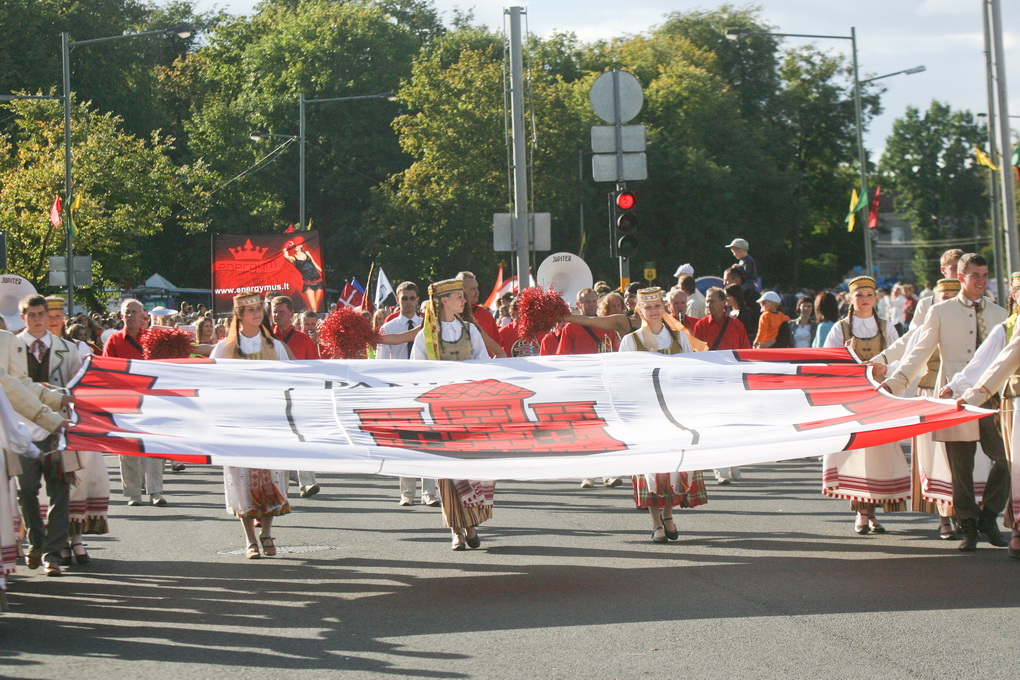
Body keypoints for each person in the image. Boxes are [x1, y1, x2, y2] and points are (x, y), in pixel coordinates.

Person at [881, 254, 1010, 552]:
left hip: (991, 396)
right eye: (975, 275)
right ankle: (967, 525)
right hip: (953, 398)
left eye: (985, 275)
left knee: (1004, 459)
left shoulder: (999, 313)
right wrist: (895, 381)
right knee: (961, 468)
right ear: (961, 277)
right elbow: (918, 352)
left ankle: (988, 516)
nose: (981, 281)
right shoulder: (941, 311)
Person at [823, 276, 909, 534]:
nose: (864, 299)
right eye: (859, 295)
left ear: (876, 298)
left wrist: (886, 369)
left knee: (879, 456)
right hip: (854, 399)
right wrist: (846, 356)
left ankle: (874, 512)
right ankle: (862, 513)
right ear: (851, 298)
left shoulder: (886, 327)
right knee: (856, 456)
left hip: (880, 397)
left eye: (869, 295)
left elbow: (900, 360)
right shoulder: (840, 329)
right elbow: (827, 364)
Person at [618, 287, 704, 542]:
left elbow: (691, 374)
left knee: (675, 466)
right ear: (640, 310)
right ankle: (656, 521)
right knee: (650, 467)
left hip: (676, 412)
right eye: (648, 307)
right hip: (645, 413)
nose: (654, 311)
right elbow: (622, 379)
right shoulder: (630, 341)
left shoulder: (680, 338)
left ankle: (668, 514)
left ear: (663, 308)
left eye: (657, 306)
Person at [210, 292, 292, 559]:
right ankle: (249, 540)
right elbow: (211, 383)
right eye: (251, 310)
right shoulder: (224, 348)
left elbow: (289, 380)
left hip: (269, 422)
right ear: (239, 316)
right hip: (239, 423)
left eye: (259, 309)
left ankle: (267, 533)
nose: (257, 314)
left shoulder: (274, 346)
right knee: (242, 480)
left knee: (271, 477)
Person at [411, 279, 491, 550]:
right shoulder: (425, 336)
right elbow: (416, 374)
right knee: (445, 472)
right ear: (444, 300)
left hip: (468, 411)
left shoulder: (470, 330)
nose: (464, 300)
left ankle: (470, 522)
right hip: (439, 412)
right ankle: (456, 529)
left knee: (468, 471)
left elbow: (485, 366)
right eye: (459, 296)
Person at [378, 282, 437, 507]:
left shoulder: (429, 325)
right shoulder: (389, 328)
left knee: (430, 441)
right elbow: (381, 362)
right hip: (400, 388)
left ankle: (429, 492)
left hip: (424, 387)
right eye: (405, 298)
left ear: (418, 299)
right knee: (405, 442)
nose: (409, 302)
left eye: (413, 298)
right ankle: (407, 492)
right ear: (398, 301)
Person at [103, 299, 167, 506]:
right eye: (127, 312)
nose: (130, 315)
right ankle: (133, 493)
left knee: (154, 446)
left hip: (152, 399)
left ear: (143, 316)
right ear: (121, 316)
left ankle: (155, 491)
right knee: (129, 448)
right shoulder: (114, 341)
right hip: (125, 400)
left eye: (134, 312)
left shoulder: (153, 338)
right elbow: (106, 370)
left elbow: (163, 368)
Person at [556, 288, 622, 489]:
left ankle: (609, 473)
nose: (592, 304)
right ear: (579, 305)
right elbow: (563, 357)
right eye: (587, 302)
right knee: (585, 431)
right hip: (582, 383)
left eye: (594, 301)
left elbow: (616, 353)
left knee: (607, 428)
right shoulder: (570, 328)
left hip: (603, 383)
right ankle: (588, 474)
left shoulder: (607, 324)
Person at [693, 287, 750, 484]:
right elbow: (696, 357)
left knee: (735, 425)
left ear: (724, 302)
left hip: (733, 383)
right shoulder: (700, 326)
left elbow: (746, 353)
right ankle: (720, 470)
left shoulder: (736, 325)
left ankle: (734, 463)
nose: (708, 305)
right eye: (707, 301)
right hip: (711, 384)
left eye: (712, 301)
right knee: (717, 426)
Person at [270, 295, 321, 497]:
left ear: (291, 314)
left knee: (302, 438)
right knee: (279, 442)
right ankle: (280, 487)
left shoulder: (303, 339)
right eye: (274, 311)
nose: (277, 315)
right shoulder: (265, 338)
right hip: (273, 396)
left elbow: (315, 367)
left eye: (281, 312)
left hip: (299, 395)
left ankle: (307, 482)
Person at [282, 240, 324, 312]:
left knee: (316, 307)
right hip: (308, 284)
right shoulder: (293, 258)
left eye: (297, 245)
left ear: (301, 246)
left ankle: (314, 320)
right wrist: (286, 247)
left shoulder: (307, 253)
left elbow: (314, 264)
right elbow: (286, 257)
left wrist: (322, 272)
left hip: (318, 280)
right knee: (313, 307)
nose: (296, 247)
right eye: (294, 246)